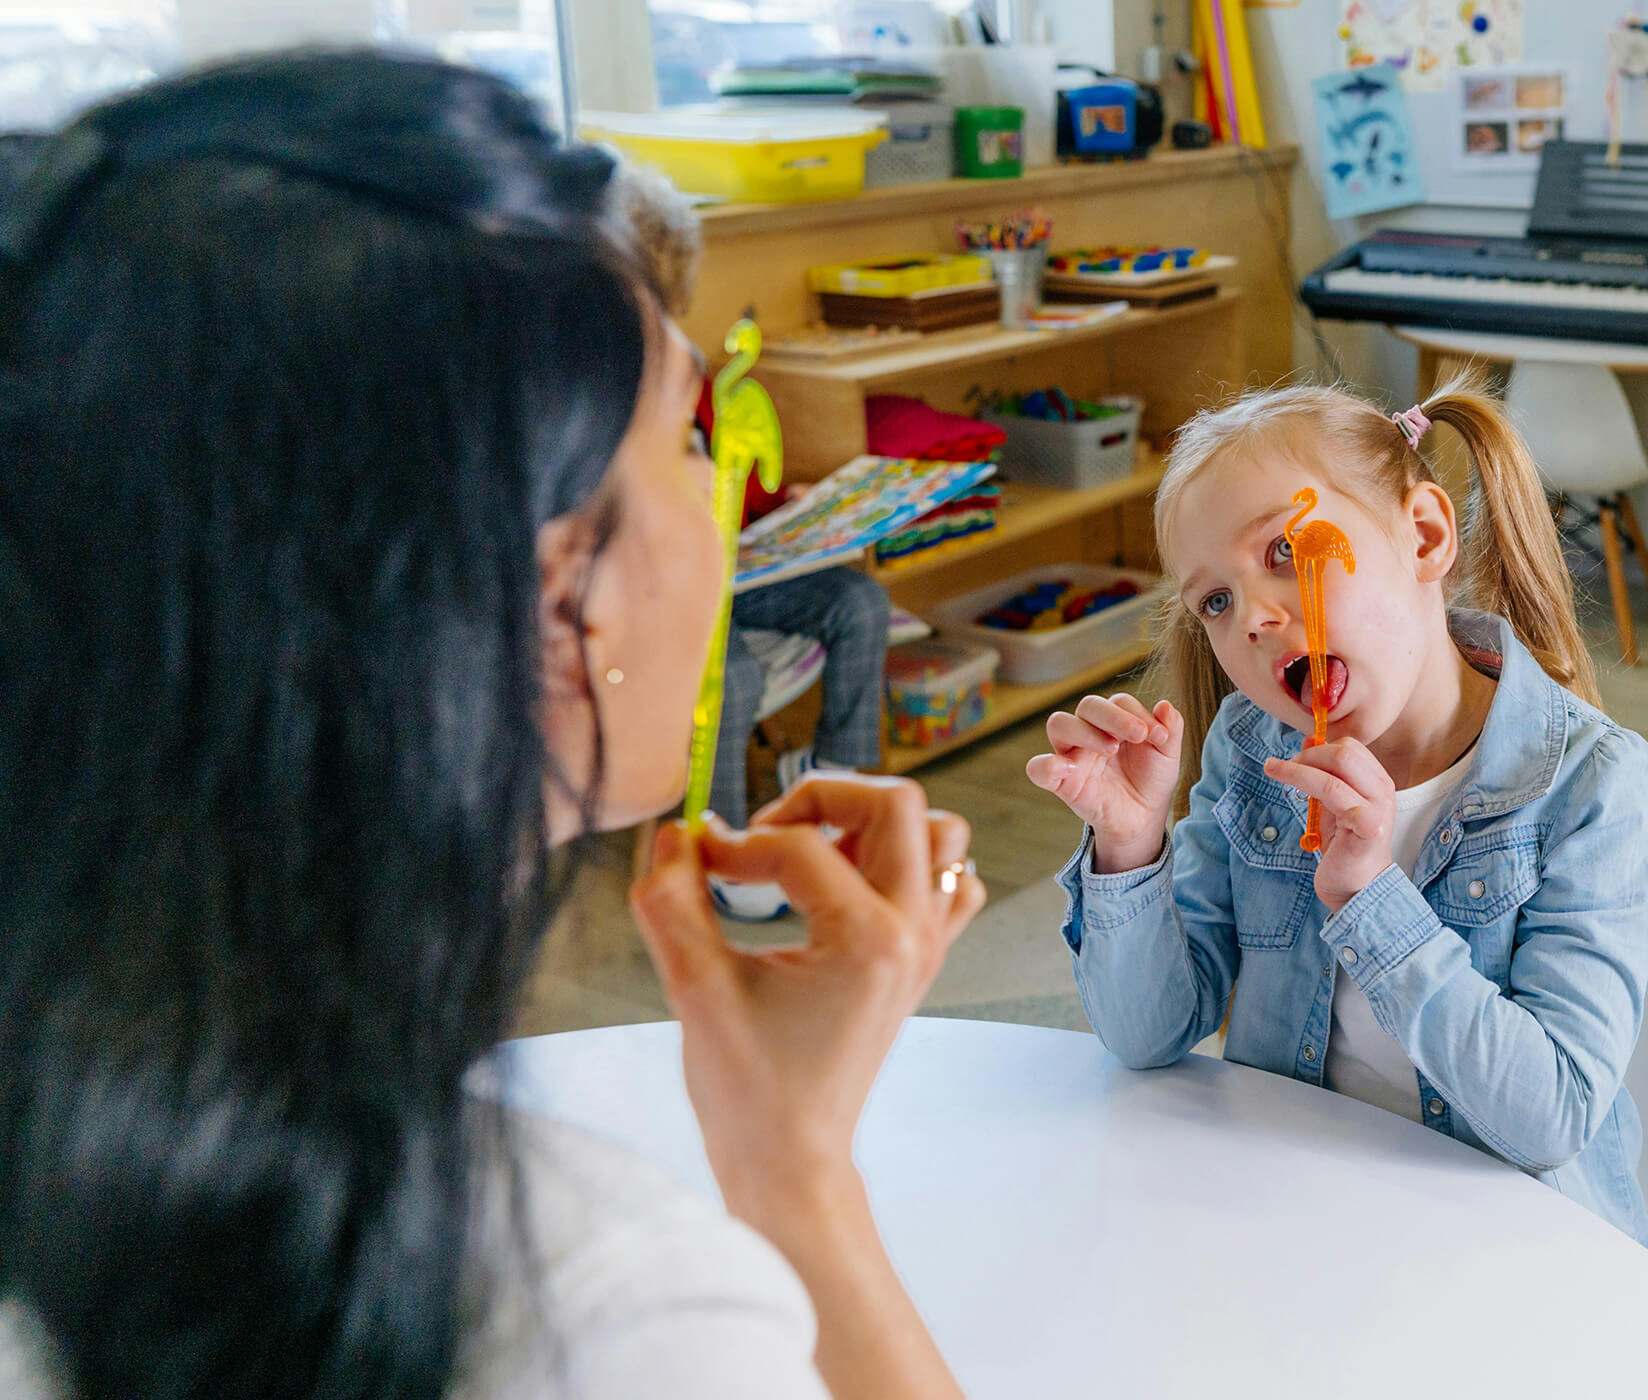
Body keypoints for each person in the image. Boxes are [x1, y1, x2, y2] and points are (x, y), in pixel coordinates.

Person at [0, 51, 978, 1399]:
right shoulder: (610, 1314)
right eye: (686, 440)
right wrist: (794, 1175)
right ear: (560, 600)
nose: (710, 487)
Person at [1027, 380, 1648, 1243]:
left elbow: (1551, 1116)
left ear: (1425, 536)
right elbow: (1148, 1036)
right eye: (1214, 600)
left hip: (1516, 1243)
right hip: (1304, 1210)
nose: (1252, 615)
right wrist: (1130, 845)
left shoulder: (1592, 784)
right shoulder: (1254, 752)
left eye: (1286, 553)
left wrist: (1372, 902)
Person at [606, 161, 892, 923]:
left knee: (858, 602)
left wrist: (785, 509)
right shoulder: (590, 405)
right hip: (655, 602)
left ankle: (833, 778)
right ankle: (724, 840)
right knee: (724, 675)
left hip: (727, 573)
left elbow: (726, 473)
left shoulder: (683, 377)